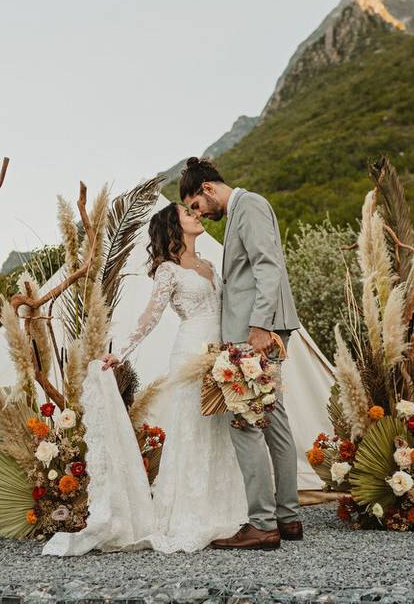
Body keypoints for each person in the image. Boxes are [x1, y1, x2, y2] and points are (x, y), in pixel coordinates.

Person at [98, 200, 249, 553]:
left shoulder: (211, 264)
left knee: (223, 430)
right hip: (191, 353)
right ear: (173, 226)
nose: (197, 215)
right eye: (188, 213)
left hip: (222, 354)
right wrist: (119, 353)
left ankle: (228, 511)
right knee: (194, 428)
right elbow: (149, 317)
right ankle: (191, 513)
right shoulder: (167, 270)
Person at [180, 156, 303, 550]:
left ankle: (262, 524)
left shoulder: (248, 205)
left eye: (196, 205)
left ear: (208, 190)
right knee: (274, 420)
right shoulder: (241, 211)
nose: (199, 214)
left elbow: (269, 266)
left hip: (256, 331)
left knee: (246, 423)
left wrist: (259, 326)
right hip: (259, 326)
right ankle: (288, 518)